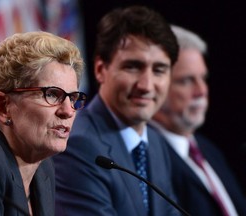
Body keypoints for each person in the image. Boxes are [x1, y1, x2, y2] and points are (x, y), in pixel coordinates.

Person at [53, 5, 181, 216]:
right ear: (100, 70)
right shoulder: (78, 145)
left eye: (159, 70)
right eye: (133, 66)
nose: (147, 85)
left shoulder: (156, 142)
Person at [0, 31, 87, 215]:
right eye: (51, 94)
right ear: (3, 106)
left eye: (73, 98)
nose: (67, 111)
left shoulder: (43, 167)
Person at [149, 25, 246, 216]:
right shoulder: (149, 160)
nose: (201, 91)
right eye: (186, 80)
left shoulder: (208, 149)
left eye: (203, 78)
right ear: (156, 85)